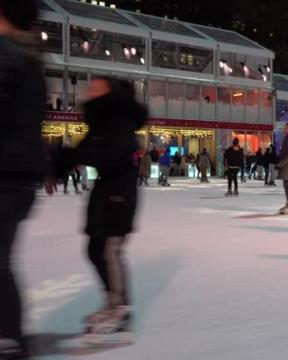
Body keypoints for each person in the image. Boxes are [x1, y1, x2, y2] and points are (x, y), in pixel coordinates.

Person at [50, 76, 147, 343]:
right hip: (106, 190)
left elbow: (111, 153)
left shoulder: (119, 119)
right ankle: (113, 302)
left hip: (119, 192)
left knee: (109, 250)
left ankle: (120, 310)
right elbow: (86, 150)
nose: (89, 91)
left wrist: (75, 156)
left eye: (96, 87)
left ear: (110, 92)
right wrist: (58, 166)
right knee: (95, 249)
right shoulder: (101, 120)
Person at [0, 1, 46, 356]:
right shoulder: (29, 60)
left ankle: (9, 336)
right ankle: (10, 334)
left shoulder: (8, 57)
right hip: (19, 174)